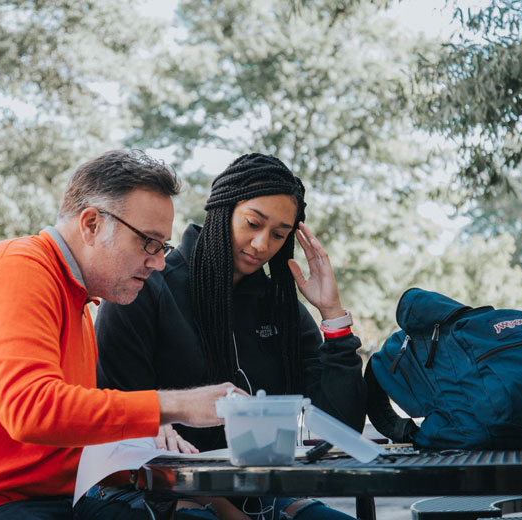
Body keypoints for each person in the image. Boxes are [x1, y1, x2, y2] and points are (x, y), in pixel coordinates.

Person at [0, 150, 243, 520]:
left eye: (162, 246)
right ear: (91, 224)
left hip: (29, 501)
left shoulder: (79, 302)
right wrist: (180, 405)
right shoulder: (20, 268)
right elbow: (31, 410)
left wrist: (149, 452)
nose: (159, 261)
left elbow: (61, 433)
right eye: (148, 242)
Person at [76, 153, 366, 519]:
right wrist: (227, 511)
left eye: (279, 234)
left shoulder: (280, 305)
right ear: (223, 210)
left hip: (259, 494)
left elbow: (343, 426)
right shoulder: (146, 286)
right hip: (149, 489)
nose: (262, 244)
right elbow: (125, 429)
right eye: (252, 223)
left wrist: (333, 315)